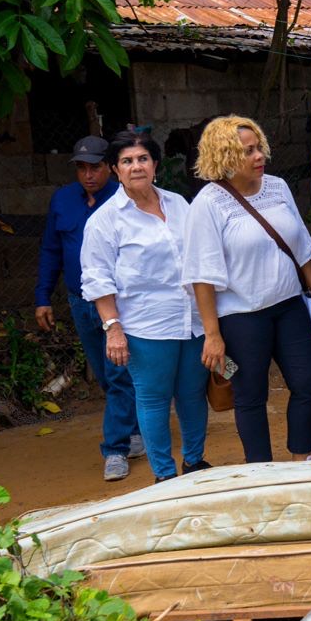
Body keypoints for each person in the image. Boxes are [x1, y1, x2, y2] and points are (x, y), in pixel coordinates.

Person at [185, 116, 311, 463]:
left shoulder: (277, 187)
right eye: (247, 151)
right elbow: (201, 275)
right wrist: (212, 334)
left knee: (308, 381)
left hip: (289, 306)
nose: (258, 156)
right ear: (225, 157)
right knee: (250, 394)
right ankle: (260, 469)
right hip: (240, 318)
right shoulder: (208, 203)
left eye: (258, 148)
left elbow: (303, 249)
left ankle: (302, 460)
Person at [80, 132, 209, 482]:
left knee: (193, 394)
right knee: (153, 400)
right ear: (115, 170)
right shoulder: (106, 221)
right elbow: (96, 278)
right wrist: (113, 329)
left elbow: (201, 257)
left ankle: (195, 462)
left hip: (193, 320)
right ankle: (165, 475)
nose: (136, 166)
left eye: (142, 159)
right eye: (126, 161)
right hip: (146, 327)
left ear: (155, 165)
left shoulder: (179, 204)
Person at [33, 135, 141, 482]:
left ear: (110, 167)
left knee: (119, 373)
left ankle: (115, 448)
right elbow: (51, 250)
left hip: (118, 304)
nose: (88, 174)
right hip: (80, 302)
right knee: (109, 376)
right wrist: (42, 297)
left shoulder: (125, 200)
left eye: (95, 167)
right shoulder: (63, 200)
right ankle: (136, 431)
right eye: (82, 167)